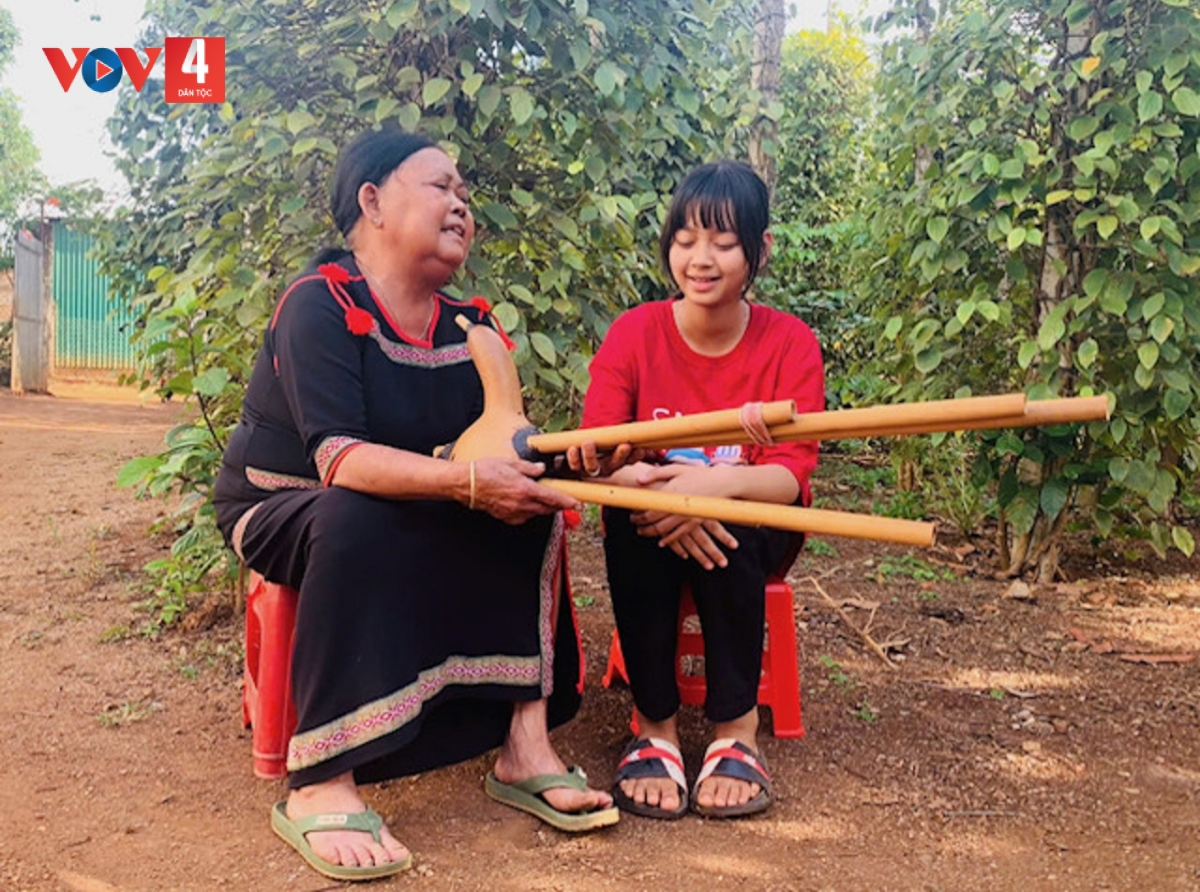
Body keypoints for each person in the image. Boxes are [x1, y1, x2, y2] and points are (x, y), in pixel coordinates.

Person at [213, 128, 617, 882]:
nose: (461, 204)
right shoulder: (318, 304)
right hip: (283, 503)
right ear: (372, 202)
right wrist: (471, 484)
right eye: (440, 186)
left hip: (411, 497)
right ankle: (322, 781)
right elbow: (340, 461)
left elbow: (497, 444)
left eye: (465, 193)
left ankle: (524, 744)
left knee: (530, 505)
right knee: (355, 510)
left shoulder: (473, 327)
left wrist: (578, 460)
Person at [570, 161, 824, 819]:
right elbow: (599, 455)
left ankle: (736, 729)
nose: (700, 259)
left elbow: (788, 476)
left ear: (761, 249)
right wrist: (647, 486)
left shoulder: (790, 342)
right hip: (651, 515)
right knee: (632, 521)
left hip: (752, 524)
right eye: (685, 239)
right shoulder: (635, 333)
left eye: (723, 242)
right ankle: (654, 726)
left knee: (730, 520)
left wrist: (712, 489)